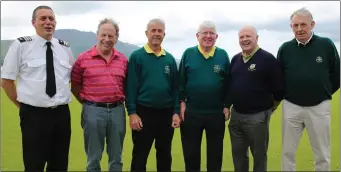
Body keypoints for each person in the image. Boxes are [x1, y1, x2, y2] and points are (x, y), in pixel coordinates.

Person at [1, 5, 74, 172]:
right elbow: (6, 81)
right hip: (34, 115)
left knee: (60, 164)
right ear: (34, 23)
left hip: (62, 114)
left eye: (51, 18)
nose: (48, 22)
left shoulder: (65, 47)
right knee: (34, 163)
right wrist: (23, 106)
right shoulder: (21, 46)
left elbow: (69, 79)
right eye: (43, 18)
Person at [277, 8, 340, 171]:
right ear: (291, 27)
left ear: (312, 24)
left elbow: (337, 75)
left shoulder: (326, 45)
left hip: (319, 107)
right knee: (287, 152)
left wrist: (322, 92)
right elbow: (279, 77)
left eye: (303, 24)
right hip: (292, 107)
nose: (299, 29)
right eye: (295, 25)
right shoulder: (285, 48)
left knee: (322, 154)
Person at [71, 18, 128, 172]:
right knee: (93, 158)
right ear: (97, 35)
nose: (107, 39)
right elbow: (75, 85)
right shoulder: (83, 58)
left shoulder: (123, 60)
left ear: (116, 38)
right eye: (104, 35)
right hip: (92, 111)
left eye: (111, 36)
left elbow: (126, 86)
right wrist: (87, 103)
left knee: (116, 158)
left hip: (117, 110)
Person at [125, 18, 181, 172]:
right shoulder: (137, 56)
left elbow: (175, 88)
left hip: (166, 114)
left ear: (164, 34)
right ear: (146, 33)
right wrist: (132, 113)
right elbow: (131, 87)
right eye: (153, 30)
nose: (156, 34)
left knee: (164, 155)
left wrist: (176, 112)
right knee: (140, 155)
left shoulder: (169, 59)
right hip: (144, 113)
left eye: (160, 31)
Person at [226, 25, 283, 172]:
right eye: (241, 37)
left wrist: (271, 107)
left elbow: (278, 88)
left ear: (256, 38)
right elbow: (231, 86)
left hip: (257, 117)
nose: (245, 40)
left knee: (259, 156)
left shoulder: (267, 59)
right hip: (237, 115)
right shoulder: (235, 59)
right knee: (238, 155)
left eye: (248, 36)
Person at [178, 21, 230, 172]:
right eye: (204, 33)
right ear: (197, 36)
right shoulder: (188, 53)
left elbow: (228, 83)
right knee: (191, 155)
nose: (208, 36)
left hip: (216, 114)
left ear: (216, 36)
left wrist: (227, 105)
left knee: (215, 156)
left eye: (211, 33)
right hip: (191, 113)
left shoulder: (222, 55)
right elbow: (181, 82)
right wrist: (181, 103)